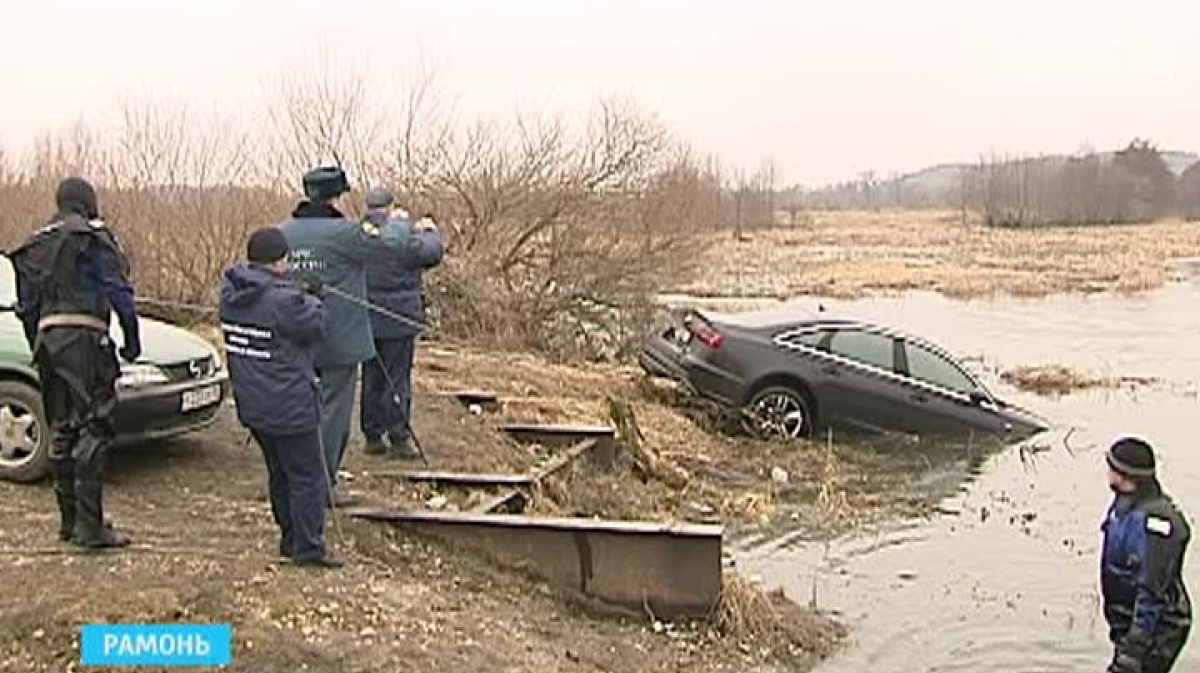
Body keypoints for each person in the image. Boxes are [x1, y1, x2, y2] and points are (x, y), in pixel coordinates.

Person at [9, 177, 141, 549]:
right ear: (88, 202)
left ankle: (70, 522)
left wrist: (40, 341)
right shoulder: (93, 239)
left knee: (62, 427)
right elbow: (119, 292)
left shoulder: (34, 244)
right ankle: (90, 528)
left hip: (48, 341)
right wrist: (131, 339)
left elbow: (26, 307)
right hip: (85, 339)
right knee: (93, 426)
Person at [277, 166, 411, 506]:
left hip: (291, 337)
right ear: (337, 196)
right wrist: (390, 220)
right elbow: (392, 247)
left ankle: (291, 481)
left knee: (293, 410)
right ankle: (321, 487)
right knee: (333, 416)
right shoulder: (347, 234)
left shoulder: (281, 233)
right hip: (338, 341)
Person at [219, 228, 343, 568]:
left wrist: (297, 293)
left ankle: (290, 539)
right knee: (306, 477)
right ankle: (308, 548)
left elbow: (274, 312)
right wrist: (316, 297)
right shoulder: (286, 301)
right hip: (290, 405)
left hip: (254, 406)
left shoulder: (231, 293)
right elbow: (316, 326)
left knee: (280, 473)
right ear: (279, 260)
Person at [359, 187, 444, 459]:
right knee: (397, 377)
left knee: (371, 375)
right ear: (391, 206)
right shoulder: (402, 235)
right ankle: (398, 436)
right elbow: (432, 253)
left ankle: (372, 435)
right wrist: (428, 231)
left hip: (365, 316)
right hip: (398, 318)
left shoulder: (359, 235)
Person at [1101, 435, 1192, 673]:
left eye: (1110, 466)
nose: (1106, 471)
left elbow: (1152, 591)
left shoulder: (1156, 525)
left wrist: (1135, 649)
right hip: (1126, 625)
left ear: (1125, 474)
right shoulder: (1122, 504)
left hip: (1155, 634)